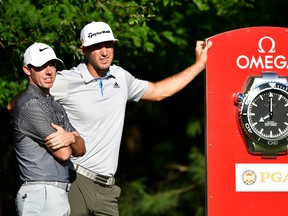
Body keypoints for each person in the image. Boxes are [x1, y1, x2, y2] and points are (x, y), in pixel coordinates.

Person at [9, 21, 212, 215]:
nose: (105, 52)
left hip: (107, 187)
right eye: (97, 47)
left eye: (109, 45)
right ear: (84, 51)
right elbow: (18, 103)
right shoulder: (66, 80)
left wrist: (199, 66)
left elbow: (160, 91)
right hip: (75, 179)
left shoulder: (121, 78)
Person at [13, 42, 86, 215]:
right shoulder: (31, 105)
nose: (49, 71)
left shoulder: (55, 105)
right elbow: (64, 153)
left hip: (55, 195)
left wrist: (72, 138)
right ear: (27, 70)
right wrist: (71, 138)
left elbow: (81, 148)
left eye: (52, 64)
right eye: (41, 66)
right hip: (41, 195)